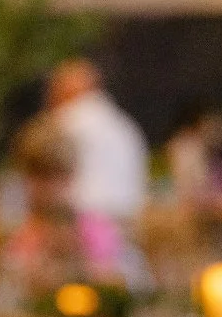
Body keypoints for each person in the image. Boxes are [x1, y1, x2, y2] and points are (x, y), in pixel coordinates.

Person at [0, 117, 149, 302]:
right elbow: (12, 284)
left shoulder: (93, 229)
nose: (48, 189)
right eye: (39, 177)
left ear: (72, 175)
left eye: (56, 176)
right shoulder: (26, 234)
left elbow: (119, 282)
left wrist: (81, 259)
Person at [45, 58, 149, 223]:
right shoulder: (125, 125)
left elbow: (47, 181)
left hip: (80, 221)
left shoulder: (65, 122)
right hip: (126, 220)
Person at [164, 102, 222, 212]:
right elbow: (189, 189)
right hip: (186, 208)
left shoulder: (205, 150)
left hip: (198, 207)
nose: (218, 132)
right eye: (213, 126)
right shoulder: (186, 147)